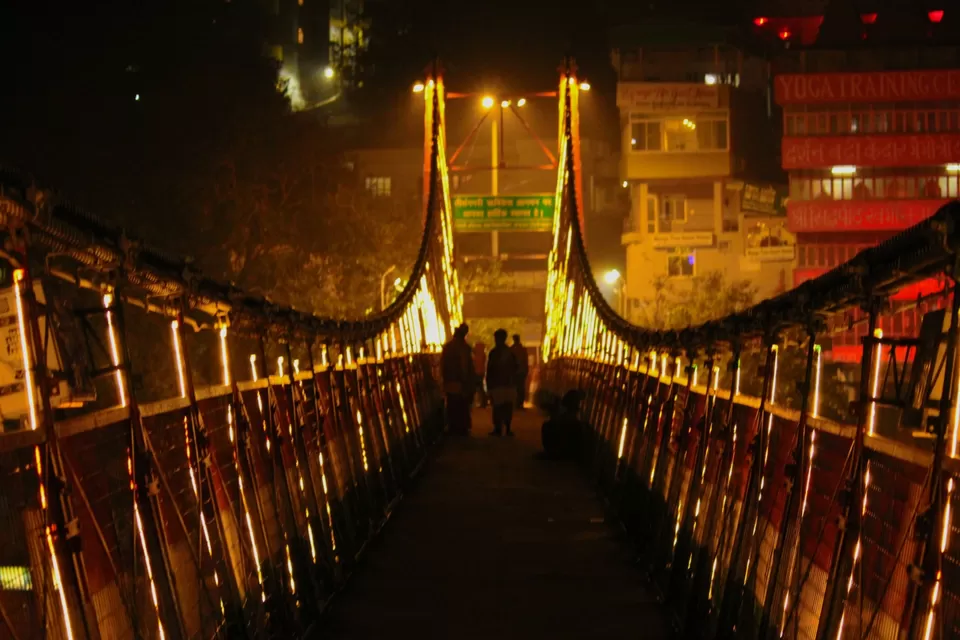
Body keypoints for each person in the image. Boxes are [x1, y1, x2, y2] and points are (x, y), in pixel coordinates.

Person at [441, 324, 472, 435]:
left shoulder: (448, 347)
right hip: (460, 381)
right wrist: (467, 381)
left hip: (450, 381)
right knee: (462, 405)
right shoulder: (464, 347)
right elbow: (465, 366)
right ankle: (462, 427)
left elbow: (443, 365)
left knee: (452, 405)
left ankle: (453, 426)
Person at [486, 329, 518, 436]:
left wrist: (489, 385)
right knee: (507, 407)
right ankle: (507, 428)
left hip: (497, 384)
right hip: (509, 384)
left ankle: (498, 429)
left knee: (498, 407)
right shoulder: (510, 352)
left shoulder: (494, 353)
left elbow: (490, 370)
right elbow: (516, 368)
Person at [510, 334, 529, 409]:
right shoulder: (523, 349)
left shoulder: (511, 349)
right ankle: (520, 403)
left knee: (515, 388)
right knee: (521, 387)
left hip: (514, 372)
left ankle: (516, 403)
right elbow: (526, 361)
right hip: (521, 371)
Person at [472, 342, 487, 408]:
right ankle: (483, 402)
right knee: (480, 388)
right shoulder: (482, 355)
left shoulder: (477, 356)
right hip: (480, 372)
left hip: (477, 373)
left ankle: (481, 402)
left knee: (477, 388)